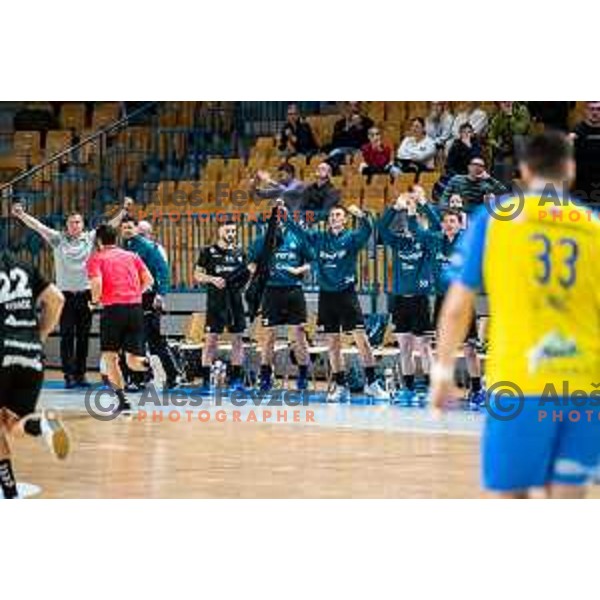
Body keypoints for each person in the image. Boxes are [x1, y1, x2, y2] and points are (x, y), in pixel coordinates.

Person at [431, 132, 600, 498]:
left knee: (511, 498)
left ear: (524, 170)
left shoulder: (496, 220)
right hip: (586, 384)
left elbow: (458, 305)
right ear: (570, 169)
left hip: (521, 383)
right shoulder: (594, 226)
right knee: (570, 497)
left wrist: (443, 371)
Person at [11, 197, 132, 389]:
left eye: (78, 222)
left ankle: (80, 375)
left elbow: (110, 225)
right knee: (67, 336)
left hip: (85, 295)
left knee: (83, 336)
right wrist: (21, 214)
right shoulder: (58, 239)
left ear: (82, 225)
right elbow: (38, 227)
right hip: (64, 296)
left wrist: (123, 211)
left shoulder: (91, 238)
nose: (75, 225)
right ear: (66, 225)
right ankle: (68, 375)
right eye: (71, 222)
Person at [282, 201, 389, 402]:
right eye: (332, 216)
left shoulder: (351, 239)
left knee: (362, 340)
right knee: (333, 343)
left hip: (347, 294)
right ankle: (340, 386)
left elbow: (368, 230)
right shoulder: (319, 238)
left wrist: (362, 216)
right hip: (327, 296)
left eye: (339, 215)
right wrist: (285, 216)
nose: (334, 218)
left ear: (345, 219)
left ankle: (372, 383)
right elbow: (299, 231)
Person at [0, 251, 68, 499]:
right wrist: (39, 336)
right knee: (11, 423)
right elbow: (57, 299)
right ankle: (41, 424)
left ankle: (10, 491)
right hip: (31, 354)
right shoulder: (22, 265)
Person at [87, 224, 154, 415]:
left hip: (113, 310)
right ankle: (148, 364)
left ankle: (122, 401)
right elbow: (149, 280)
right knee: (133, 360)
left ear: (98, 241)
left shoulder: (96, 258)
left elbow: (97, 283)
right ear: (116, 240)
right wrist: (135, 294)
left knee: (110, 357)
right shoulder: (132, 256)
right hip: (135, 308)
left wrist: (93, 302)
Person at [378, 190, 437, 404]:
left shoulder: (427, 240)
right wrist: (395, 207)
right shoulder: (399, 242)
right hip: (401, 300)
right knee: (404, 347)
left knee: (424, 347)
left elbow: (435, 226)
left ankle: (431, 388)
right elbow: (381, 228)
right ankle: (409, 388)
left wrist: (420, 206)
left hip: (420, 299)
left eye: (416, 221)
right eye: (410, 221)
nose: (411, 225)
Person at [248, 221, 313, 392]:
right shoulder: (262, 240)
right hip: (271, 291)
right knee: (268, 336)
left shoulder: (298, 237)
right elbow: (250, 263)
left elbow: (312, 261)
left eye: (282, 216)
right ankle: (265, 376)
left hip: (294, 290)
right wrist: (259, 273)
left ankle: (303, 376)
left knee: (299, 335)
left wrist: (299, 270)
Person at [429, 209, 483, 405]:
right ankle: (444, 386)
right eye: (446, 222)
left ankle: (477, 389)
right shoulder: (436, 240)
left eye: (453, 221)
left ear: (460, 225)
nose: (449, 224)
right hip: (441, 299)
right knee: (443, 348)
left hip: (463, 299)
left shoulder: (465, 242)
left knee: (470, 349)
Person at [120, 216, 180, 390]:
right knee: (140, 339)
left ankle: (170, 375)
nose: (127, 230)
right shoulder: (125, 247)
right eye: (124, 228)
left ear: (136, 229)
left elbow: (162, 269)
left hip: (147, 298)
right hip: (131, 299)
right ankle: (141, 378)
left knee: (152, 340)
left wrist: (161, 294)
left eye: (130, 227)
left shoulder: (148, 247)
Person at [194, 220, 249, 390]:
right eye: (228, 231)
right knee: (211, 341)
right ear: (220, 231)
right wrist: (212, 279)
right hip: (216, 303)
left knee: (237, 340)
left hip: (235, 302)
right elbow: (197, 275)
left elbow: (248, 274)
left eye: (233, 231)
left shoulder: (240, 252)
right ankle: (205, 380)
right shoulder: (208, 252)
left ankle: (236, 379)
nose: (231, 234)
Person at [487, 101, 531, 183]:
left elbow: (520, 130)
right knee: (500, 164)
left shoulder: (522, 110)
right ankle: (501, 189)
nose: (507, 103)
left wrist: (510, 116)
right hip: (507, 148)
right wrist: (497, 145)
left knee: (517, 138)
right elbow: (491, 137)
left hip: (524, 145)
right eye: (503, 102)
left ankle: (521, 168)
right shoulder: (498, 117)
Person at [440, 157, 507, 210]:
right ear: (469, 167)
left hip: (477, 215)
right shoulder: (457, 179)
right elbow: (445, 197)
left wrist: (490, 179)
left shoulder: (486, 184)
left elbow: (504, 192)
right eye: (475, 164)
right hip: (458, 213)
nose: (477, 168)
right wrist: (446, 213)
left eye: (481, 166)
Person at [571, 101, 600, 201]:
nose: (595, 112)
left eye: (598, 109)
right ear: (585, 111)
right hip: (583, 187)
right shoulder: (577, 132)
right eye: (592, 109)